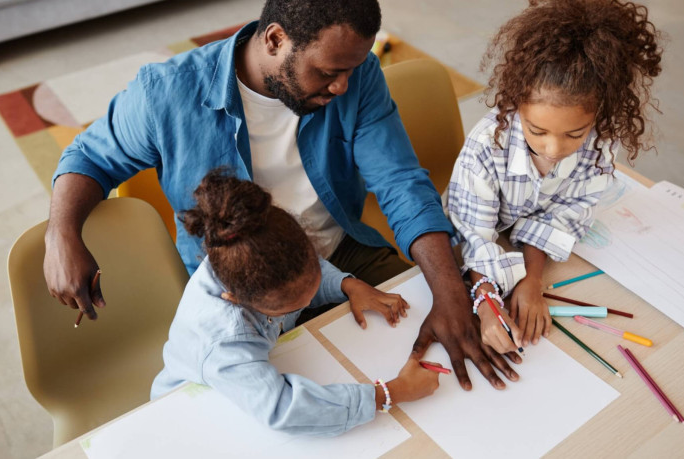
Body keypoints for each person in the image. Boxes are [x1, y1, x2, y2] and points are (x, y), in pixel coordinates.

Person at [44, 0, 520, 390]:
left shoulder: (358, 76)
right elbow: (88, 159)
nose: (343, 86)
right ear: (275, 39)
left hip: (342, 257)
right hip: (247, 286)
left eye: (352, 70)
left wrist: (450, 292)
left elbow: (400, 183)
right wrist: (62, 234)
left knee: (435, 351)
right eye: (328, 71)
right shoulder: (164, 93)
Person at [150, 170, 440, 434]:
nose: (307, 298)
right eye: (292, 307)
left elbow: (302, 274)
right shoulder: (226, 339)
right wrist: (393, 392)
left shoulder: (246, 253)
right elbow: (286, 410)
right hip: (192, 410)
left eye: (313, 275)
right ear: (238, 300)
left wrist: (346, 284)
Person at [446, 0, 663, 353]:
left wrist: (532, 280)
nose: (552, 149)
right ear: (518, 101)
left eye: (574, 134)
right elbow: (473, 233)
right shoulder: (487, 145)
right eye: (537, 130)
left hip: (524, 249)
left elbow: (564, 214)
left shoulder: (599, 145)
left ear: (598, 115)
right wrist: (484, 300)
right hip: (471, 245)